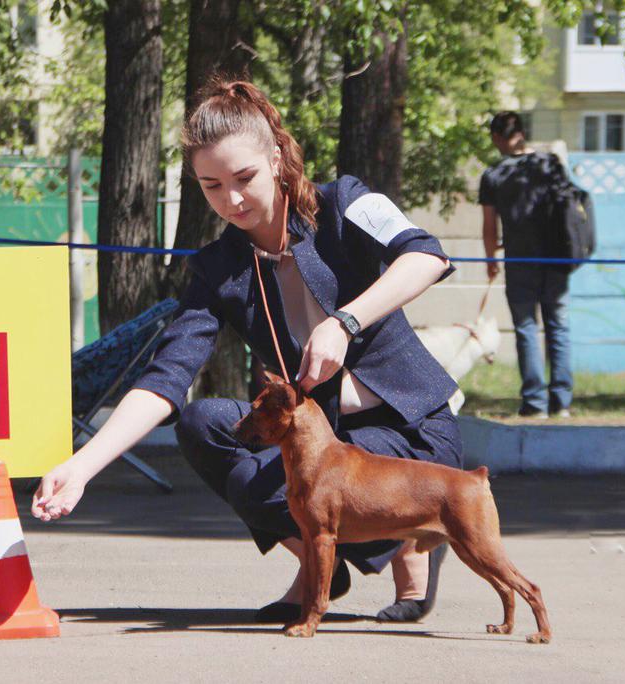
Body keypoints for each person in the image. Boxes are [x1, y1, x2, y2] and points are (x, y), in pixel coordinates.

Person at [32, 77, 463, 624]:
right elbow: (167, 378)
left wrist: (345, 322)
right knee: (202, 423)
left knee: (329, 471)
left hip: (409, 433)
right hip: (322, 440)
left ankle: (411, 536)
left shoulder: (346, 202)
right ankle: (318, 558)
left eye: (244, 177)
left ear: (278, 156)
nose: (231, 200)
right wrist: (82, 467)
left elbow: (428, 256)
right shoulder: (217, 267)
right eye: (211, 186)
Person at [479, 111, 573, 419]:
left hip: (520, 261)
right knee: (558, 327)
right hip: (557, 258)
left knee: (527, 328)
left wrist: (491, 259)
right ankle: (562, 403)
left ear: (497, 138)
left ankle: (535, 403)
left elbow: (490, 226)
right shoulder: (551, 165)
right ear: (521, 132)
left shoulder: (494, 175)